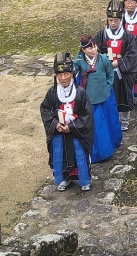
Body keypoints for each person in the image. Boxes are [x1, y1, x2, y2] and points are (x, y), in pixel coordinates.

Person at [40, 51, 94, 192]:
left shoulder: (80, 92)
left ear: (72, 74)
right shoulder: (52, 93)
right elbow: (45, 109)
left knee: (79, 153)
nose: (63, 78)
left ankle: (84, 180)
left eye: (66, 74)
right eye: (59, 75)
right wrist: (55, 124)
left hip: (76, 131)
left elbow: (87, 115)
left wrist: (72, 127)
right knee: (60, 153)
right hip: (59, 132)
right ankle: (64, 178)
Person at [73, 36, 122, 163]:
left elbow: (110, 74)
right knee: (96, 125)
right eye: (90, 48)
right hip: (89, 98)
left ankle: (111, 145)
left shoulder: (103, 59)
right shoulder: (79, 60)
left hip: (105, 95)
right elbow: (73, 71)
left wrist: (107, 86)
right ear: (83, 50)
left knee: (109, 120)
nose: (94, 50)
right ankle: (97, 152)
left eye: (94, 47)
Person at [94, 0, 137, 131]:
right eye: (111, 20)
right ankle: (110, 119)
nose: (113, 23)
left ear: (121, 19)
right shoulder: (102, 34)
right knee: (108, 96)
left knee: (123, 95)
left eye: (116, 20)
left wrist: (118, 62)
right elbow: (94, 51)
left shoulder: (127, 35)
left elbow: (132, 54)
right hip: (106, 72)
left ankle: (124, 120)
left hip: (122, 72)